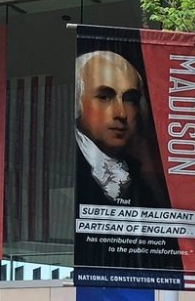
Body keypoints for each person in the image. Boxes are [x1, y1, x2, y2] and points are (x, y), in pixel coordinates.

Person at [73, 49, 173, 211]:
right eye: (104, 97)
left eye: (130, 100)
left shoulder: (150, 184)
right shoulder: (64, 167)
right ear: (77, 101)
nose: (121, 113)